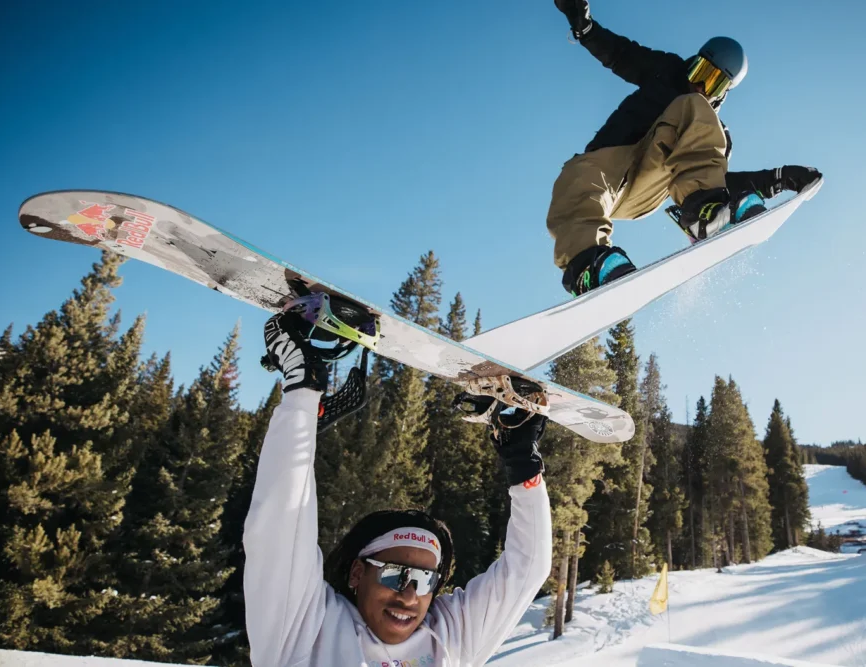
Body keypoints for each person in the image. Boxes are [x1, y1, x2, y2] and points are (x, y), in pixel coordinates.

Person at [243, 306, 553, 667]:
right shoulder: (307, 630)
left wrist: (524, 468)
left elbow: (528, 569)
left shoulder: (448, 636)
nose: (409, 596)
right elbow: (281, 533)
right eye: (394, 574)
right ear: (358, 573)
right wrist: (302, 393)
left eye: (425, 582)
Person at [549, 0, 823, 296]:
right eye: (701, 72)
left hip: (652, 182)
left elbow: (716, 177)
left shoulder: (707, 127)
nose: (702, 86)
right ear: (693, 62)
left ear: (723, 93)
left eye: (714, 83)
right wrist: (586, 28)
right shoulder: (666, 71)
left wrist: (778, 178)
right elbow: (621, 54)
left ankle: (705, 210)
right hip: (609, 167)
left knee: (694, 109)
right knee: (577, 175)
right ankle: (589, 265)